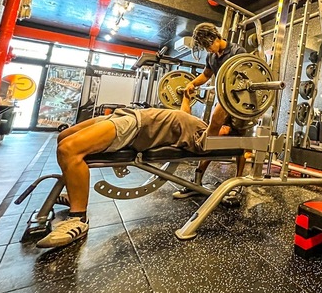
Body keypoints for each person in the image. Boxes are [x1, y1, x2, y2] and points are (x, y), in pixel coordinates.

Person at [36, 101, 228, 249]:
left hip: (137, 125)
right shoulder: (198, 124)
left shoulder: (204, 140)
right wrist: (187, 94)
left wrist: (229, 94)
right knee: (63, 136)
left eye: (227, 131)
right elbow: (186, 110)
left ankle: (78, 218)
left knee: (69, 149)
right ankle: (74, 194)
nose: (225, 129)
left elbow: (217, 118)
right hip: (127, 114)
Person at [171, 22, 248, 201]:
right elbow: (206, 75)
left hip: (240, 102)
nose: (208, 49)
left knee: (240, 141)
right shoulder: (212, 56)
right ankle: (197, 180)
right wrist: (192, 83)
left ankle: (239, 183)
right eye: (205, 47)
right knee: (212, 136)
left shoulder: (238, 52)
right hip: (224, 100)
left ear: (216, 37)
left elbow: (245, 79)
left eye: (208, 45)